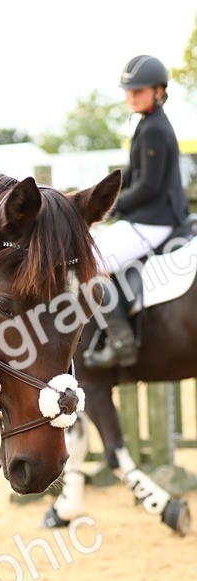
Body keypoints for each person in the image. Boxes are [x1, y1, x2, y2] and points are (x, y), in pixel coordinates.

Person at [85, 54, 191, 369]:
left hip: (156, 220)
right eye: (128, 91)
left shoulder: (155, 129)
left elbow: (149, 188)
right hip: (149, 217)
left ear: (158, 91)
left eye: (139, 90)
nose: (131, 96)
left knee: (91, 260)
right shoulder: (148, 124)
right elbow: (132, 175)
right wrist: (95, 195)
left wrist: (108, 207)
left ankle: (121, 342)